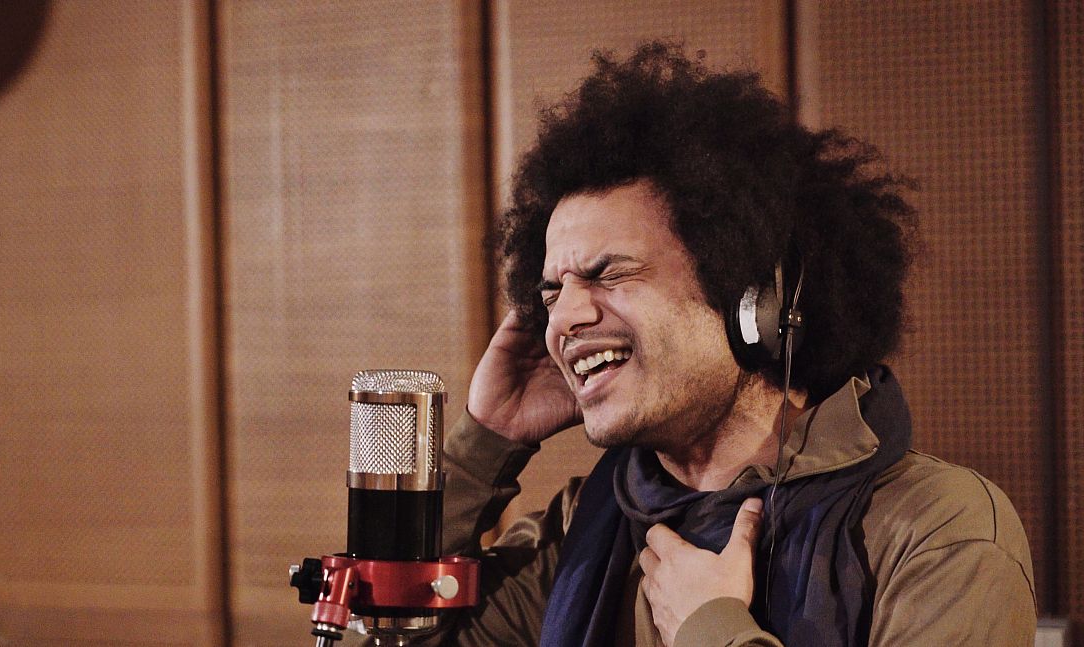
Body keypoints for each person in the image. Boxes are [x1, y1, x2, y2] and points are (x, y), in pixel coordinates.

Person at [357, 42, 1037, 646]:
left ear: (751, 298)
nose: (563, 317)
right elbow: (384, 636)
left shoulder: (937, 527)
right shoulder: (583, 531)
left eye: (608, 273)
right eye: (552, 292)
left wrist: (712, 629)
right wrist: (486, 441)